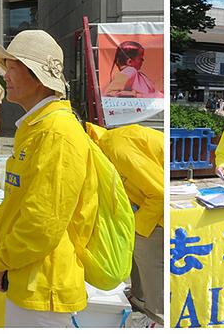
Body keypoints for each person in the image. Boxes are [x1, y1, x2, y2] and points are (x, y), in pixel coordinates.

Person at [0, 30, 98, 327]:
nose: (5, 74)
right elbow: (17, 200)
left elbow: (43, 222)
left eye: (13, 66)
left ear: (37, 76)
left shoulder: (57, 132)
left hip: (45, 286)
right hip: (28, 278)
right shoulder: (34, 127)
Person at [85, 123, 164, 326]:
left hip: (157, 209)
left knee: (147, 253)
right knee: (134, 248)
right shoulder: (105, 147)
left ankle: (158, 317)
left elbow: (159, 194)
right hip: (145, 204)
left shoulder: (117, 150)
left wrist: (134, 227)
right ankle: (139, 298)